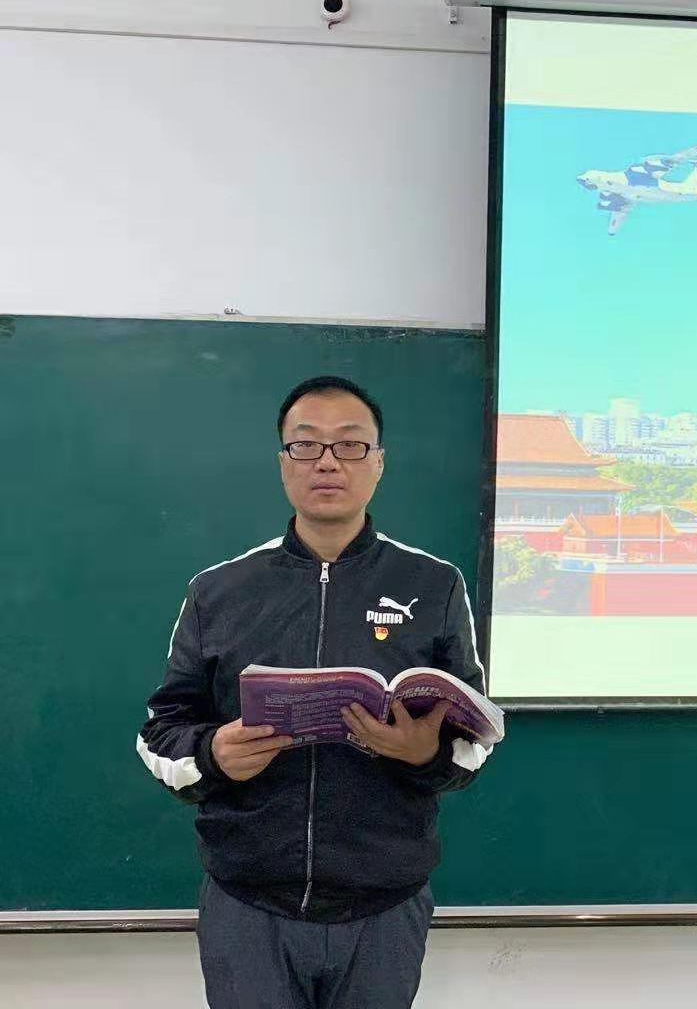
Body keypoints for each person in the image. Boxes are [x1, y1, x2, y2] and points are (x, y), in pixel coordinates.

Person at [136, 376, 490, 1009]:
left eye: (351, 445)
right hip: (248, 902)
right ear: (284, 463)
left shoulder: (435, 585)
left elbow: (475, 740)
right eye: (306, 445)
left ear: (378, 463)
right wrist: (213, 754)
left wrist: (424, 755)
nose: (328, 462)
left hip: (385, 904)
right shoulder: (217, 591)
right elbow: (160, 733)